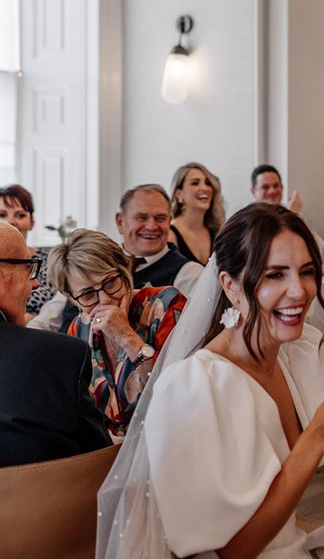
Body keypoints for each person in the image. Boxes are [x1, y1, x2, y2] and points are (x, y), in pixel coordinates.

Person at [90, 203, 324, 559]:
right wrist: (317, 437)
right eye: (274, 275)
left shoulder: (302, 349)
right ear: (230, 286)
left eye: (306, 272)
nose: (299, 291)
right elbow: (237, 553)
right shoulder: (196, 387)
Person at [47, 230, 186, 437]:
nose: (105, 300)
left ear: (125, 269)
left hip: (164, 438)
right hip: (105, 451)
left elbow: (177, 391)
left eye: (111, 282)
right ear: (71, 298)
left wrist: (126, 336)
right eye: (87, 294)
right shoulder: (79, 328)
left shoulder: (165, 305)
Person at [0, 222, 110, 466]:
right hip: (41, 502)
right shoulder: (60, 355)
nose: (36, 283)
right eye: (28, 269)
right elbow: (99, 460)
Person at [28, 184, 202, 332]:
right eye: (141, 218)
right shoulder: (90, 259)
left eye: (160, 218)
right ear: (120, 222)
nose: (151, 226)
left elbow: (187, 335)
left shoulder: (188, 273)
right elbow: (48, 319)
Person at [0, 184, 56, 321]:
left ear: (32, 222)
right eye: (2, 215)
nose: (11, 221)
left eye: (20, 215)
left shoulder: (51, 260)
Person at [169, 162, 225, 265]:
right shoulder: (170, 235)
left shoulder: (217, 233)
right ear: (178, 194)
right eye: (195, 183)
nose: (205, 188)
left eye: (208, 183)